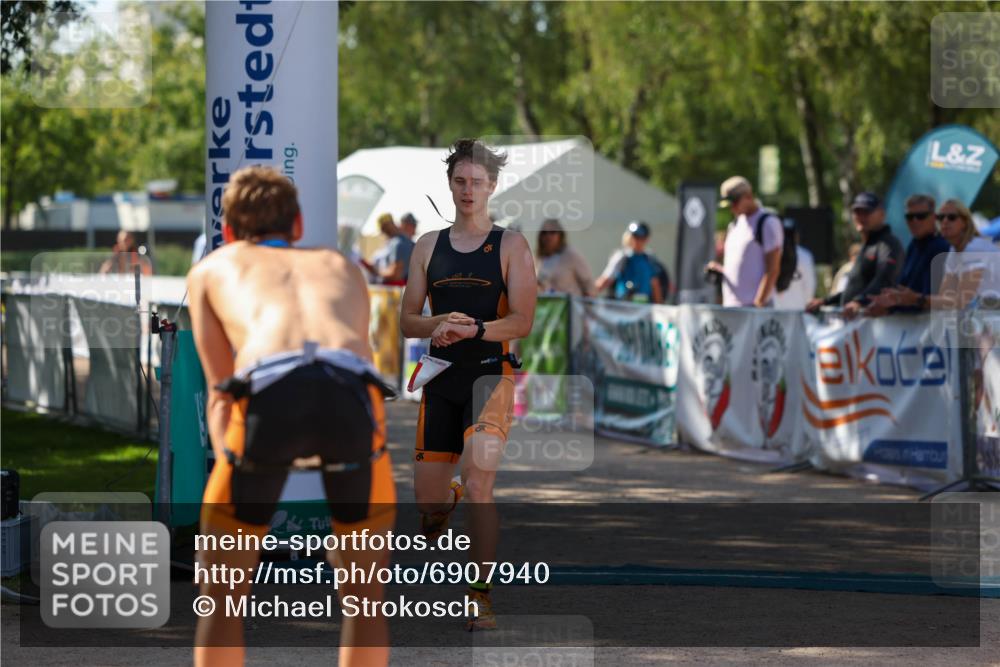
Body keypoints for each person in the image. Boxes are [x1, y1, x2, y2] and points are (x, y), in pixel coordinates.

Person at [187, 166, 395, 667]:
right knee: (366, 595)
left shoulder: (213, 267)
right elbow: (360, 368)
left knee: (221, 595)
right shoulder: (342, 265)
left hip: (269, 393)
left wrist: (231, 473)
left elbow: (221, 395)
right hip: (348, 393)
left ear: (230, 231)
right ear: (298, 225)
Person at [400, 138, 536, 631]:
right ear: (450, 185)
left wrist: (475, 329)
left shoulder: (511, 246)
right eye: (460, 181)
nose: (468, 190)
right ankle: (444, 499)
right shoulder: (427, 247)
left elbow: (522, 321)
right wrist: (435, 326)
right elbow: (407, 320)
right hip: (441, 378)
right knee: (428, 505)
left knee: (481, 482)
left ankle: (480, 596)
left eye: (477, 182)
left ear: (492, 186)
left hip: (489, 375)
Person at [879, 199, 1000, 312]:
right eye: (941, 218)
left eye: (952, 217)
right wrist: (902, 300)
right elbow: (944, 298)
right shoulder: (954, 250)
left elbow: (960, 301)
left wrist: (916, 299)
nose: (945, 221)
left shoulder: (974, 248)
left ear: (965, 222)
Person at [806, 192, 903, 319]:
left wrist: (859, 302)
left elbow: (884, 280)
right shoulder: (868, 245)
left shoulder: (888, 244)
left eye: (866, 212)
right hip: (855, 326)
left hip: (874, 328)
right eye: (857, 212)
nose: (861, 217)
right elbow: (856, 289)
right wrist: (826, 301)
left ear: (882, 214)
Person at [865, 194, 950, 316]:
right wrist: (886, 303)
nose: (914, 221)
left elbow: (934, 300)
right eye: (910, 217)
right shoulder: (913, 245)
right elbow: (903, 288)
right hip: (911, 327)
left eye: (921, 216)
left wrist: (893, 307)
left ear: (934, 217)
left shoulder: (941, 247)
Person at [705, 176, 783, 308]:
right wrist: (721, 271)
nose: (732, 208)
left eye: (734, 202)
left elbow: (773, 269)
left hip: (755, 308)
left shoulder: (767, 223)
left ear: (748, 196)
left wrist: (759, 303)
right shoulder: (734, 225)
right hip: (732, 306)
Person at [594, 221, 663, 303]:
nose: (637, 241)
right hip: (623, 306)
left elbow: (655, 285)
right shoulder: (622, 257)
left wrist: (659, 306)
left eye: (641, 238)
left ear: (646, 239)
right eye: (635, 237)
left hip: (644, 309)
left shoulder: (649, 259)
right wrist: (588, 293)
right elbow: (606, 279)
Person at [534, 217, 594, 296]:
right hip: (549, 306)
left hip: (571, 306)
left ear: (560, 235)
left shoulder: (571, 255)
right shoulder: (539, 258)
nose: (548, 236)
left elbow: (588, 284)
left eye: (552, 232)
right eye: (544, 232)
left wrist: (588, 306)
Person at [772, 219, 816, 310]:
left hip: (774, 311)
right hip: (797, 311)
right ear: (796, 235)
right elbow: (809, 287)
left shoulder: (773, 252)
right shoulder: (805, 255)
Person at [370, 213, 414, 285]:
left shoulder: (399, 243)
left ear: (386, 227)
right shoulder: (397, 242)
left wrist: (375, 271)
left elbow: (396, 275)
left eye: (383, 229)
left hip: (396, 291)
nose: (383, 233)